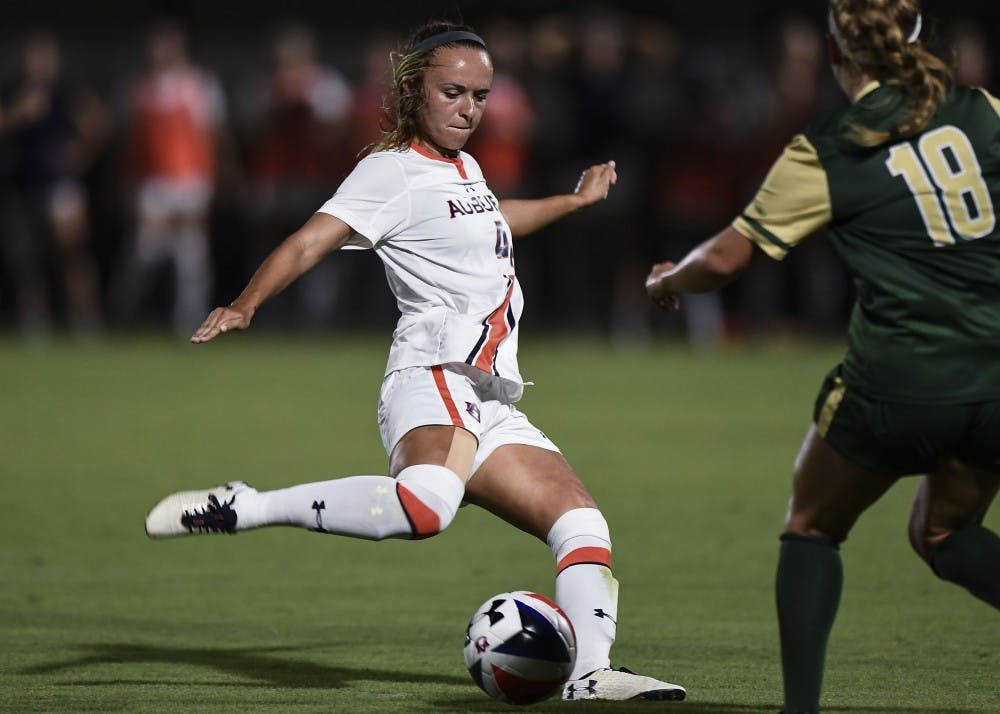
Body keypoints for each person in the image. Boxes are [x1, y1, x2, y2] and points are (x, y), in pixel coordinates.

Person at [145, 20, 686, 703]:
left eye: (480, 96)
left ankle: (590, 673)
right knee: (426, 507)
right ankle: (247, 506)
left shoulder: (464, 168)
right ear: (413, 91)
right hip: (433, 374)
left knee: (582, 524)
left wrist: (573, 202)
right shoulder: (391, 171)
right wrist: (246, 303)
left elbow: (495, 217)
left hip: (487, 394)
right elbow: (310, 240)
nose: (469, 109)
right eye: (453, 92)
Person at [644, 2, 1000, 712]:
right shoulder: (984, 110)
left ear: (837, 58)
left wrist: (668, 281)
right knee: (944, 531)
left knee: (812, 524)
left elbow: (726, 257)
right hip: (995, 378)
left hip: (900, 381)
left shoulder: (831, 145)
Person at [110, 19, 229, 336]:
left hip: (191, 181)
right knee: (144, 252)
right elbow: (130, 143)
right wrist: (126, 187)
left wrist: (217, 182)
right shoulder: (138, 88)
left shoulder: (201, 84)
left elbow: (215, 137)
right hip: (152, 184)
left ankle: (191, 323)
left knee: (191, 257)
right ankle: (122, 314)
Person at [0, 28, 110, 338]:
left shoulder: (67, 90)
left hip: (60, 185)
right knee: (25, 259)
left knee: (72, 252)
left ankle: (85, 318)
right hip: (21, 185)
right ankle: (35, 321)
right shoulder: (11, 90)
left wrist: (79, 155)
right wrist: (17, 113)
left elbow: (99, 124)